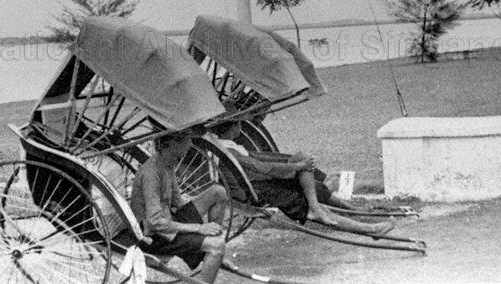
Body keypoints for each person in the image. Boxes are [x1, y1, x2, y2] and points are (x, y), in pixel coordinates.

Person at [212, 120, 394, 237]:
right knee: (312, 200)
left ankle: (318, 206)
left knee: (303, 165)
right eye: (238, 124)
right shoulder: (230, 150)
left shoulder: (230, 145)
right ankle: (371, 229)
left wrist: (293, 162)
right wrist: (296, 166)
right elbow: (261, 167)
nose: (241, 127)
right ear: (232, 127)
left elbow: (261, 160)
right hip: (256, 191)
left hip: (257, 185)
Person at [130, 130, 228, 283]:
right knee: (217, 246)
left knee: (218, 192)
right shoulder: (151, 173)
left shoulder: (167, 164)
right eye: (187, 140)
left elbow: (178, 203)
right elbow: (155, 222)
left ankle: (208, 251)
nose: (190, 144)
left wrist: (200, 229)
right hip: (154, 236)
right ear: (174, 144)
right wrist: (198, 228)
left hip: (168, 222)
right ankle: (213, 251)